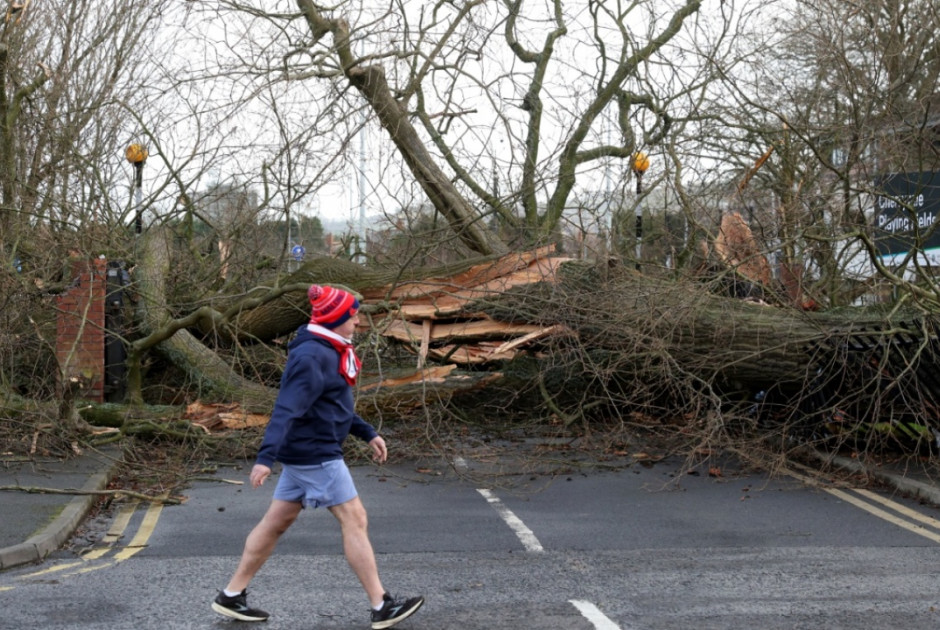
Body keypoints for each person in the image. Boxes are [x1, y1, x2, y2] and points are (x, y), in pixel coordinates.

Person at [211, 284, 425, 629]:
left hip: (306, 450)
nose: (357, 321)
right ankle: (381, 604)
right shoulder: (313, 356)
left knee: (276, 522)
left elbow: (331, 406)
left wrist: (367, 432)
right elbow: (286, 408)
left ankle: (232, 595)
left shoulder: (329, 349)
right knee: (355, 519)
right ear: (336, 319)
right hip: (315, 453)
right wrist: (265, 457)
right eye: (352, 316)